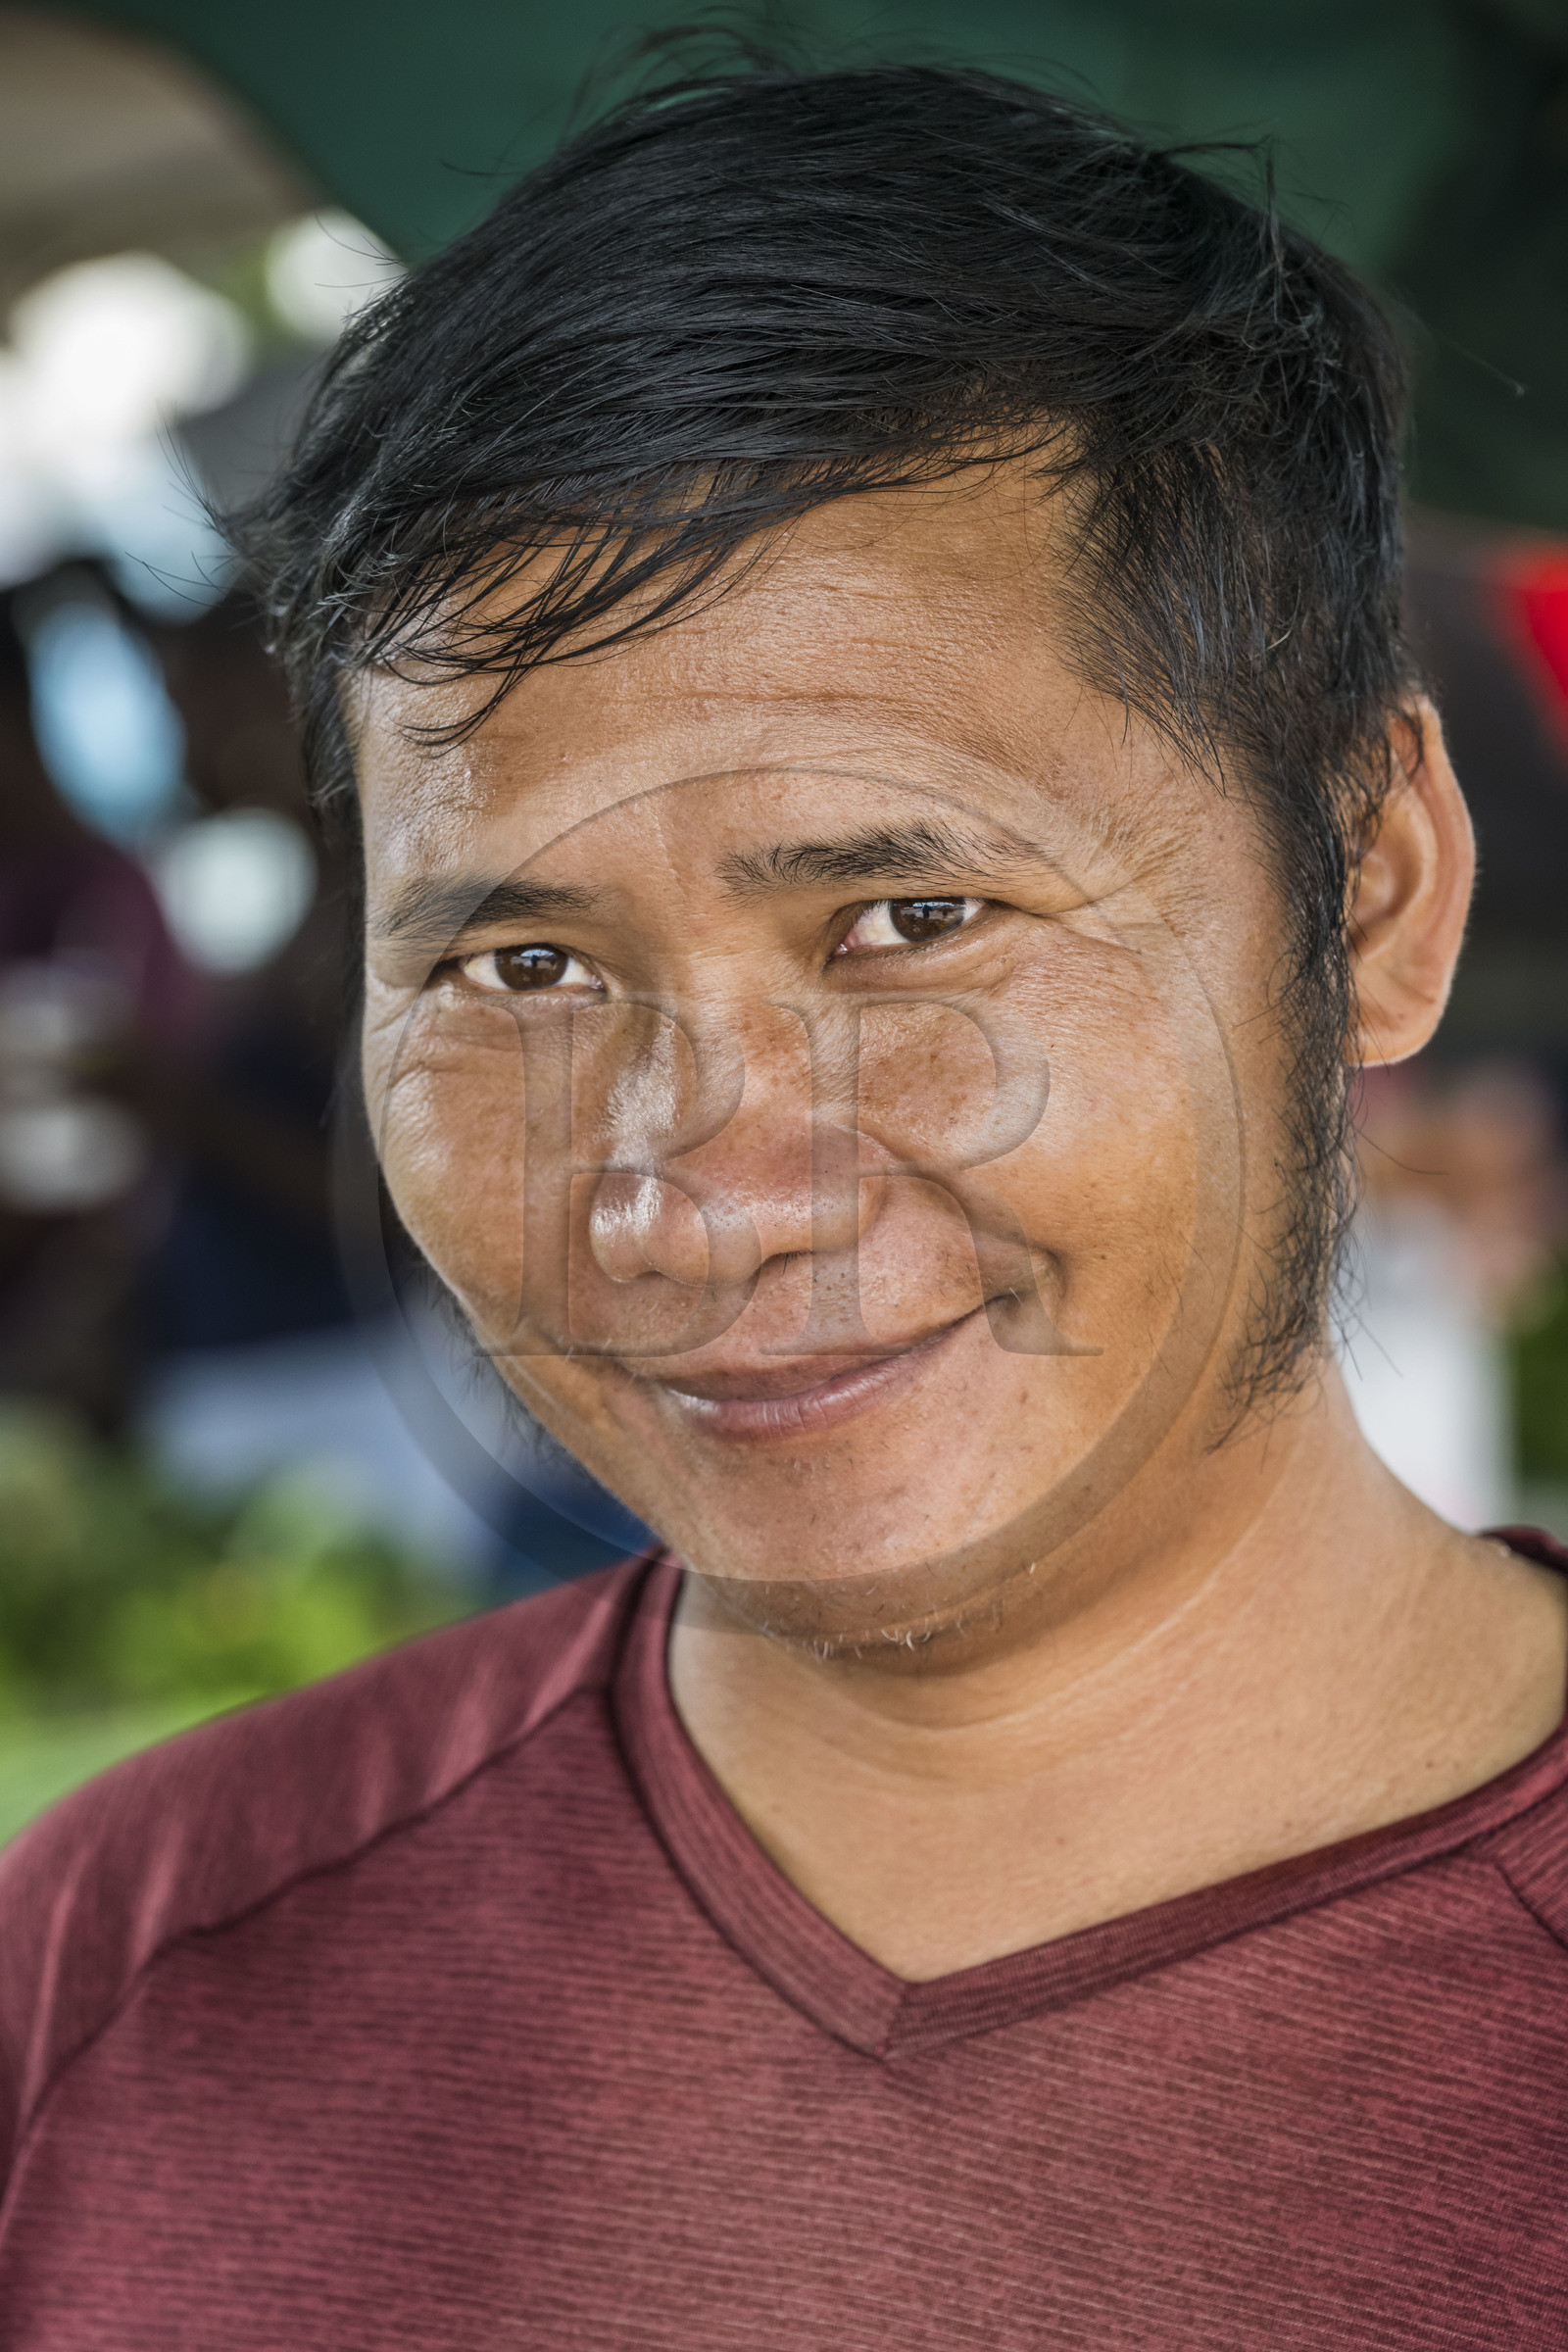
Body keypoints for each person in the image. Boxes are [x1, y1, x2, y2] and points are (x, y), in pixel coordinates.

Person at [3, 62, 1566, 2349]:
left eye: (907, 919)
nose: (694, 1201)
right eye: (519, 967)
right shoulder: (137, 1963)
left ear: (1373, 886)